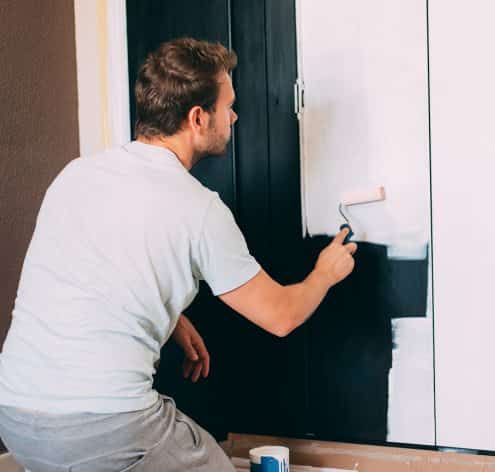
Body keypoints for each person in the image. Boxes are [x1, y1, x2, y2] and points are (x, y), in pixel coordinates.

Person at [0, 37, 356, 471]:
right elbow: (280, 316)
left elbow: (92, 273)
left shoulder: (77, 173)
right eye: (229, 106)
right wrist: (325, 272)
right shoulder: (199, 209)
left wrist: (171, 319)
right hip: (105, 426)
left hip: (15, 415)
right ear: (198, 118)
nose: (235, 116)